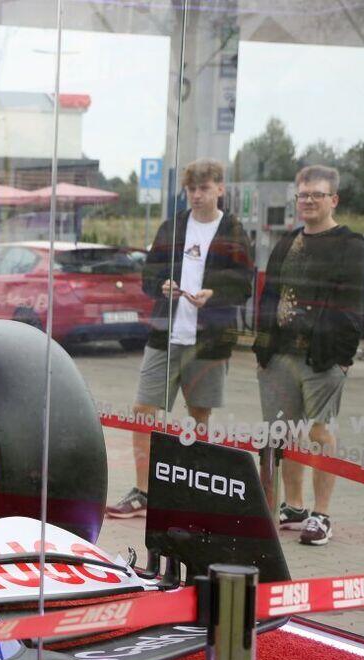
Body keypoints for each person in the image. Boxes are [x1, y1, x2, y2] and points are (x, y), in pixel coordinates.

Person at [108, 158, 253, 517]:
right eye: (191, 189)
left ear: (220, 189)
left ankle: (195, 490)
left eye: (204, 188)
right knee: (144, 410)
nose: (197, 195)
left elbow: (244, 283)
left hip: (209, 339)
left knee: (199, 414)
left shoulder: (233, 231)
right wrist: (162, 285)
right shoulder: (172, 228)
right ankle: (143, 491)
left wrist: (213, 293)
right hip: (165, 336)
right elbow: (149, 275)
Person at [253, 165, 364, 546]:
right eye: (302, 195)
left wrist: (342, 358)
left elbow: (355, 305)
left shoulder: (350, 245)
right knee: (281, 435)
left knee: (320, 434)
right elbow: (268, 298)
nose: (308, 201)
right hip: (279, 357)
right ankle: (294, 507)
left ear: (333, 199)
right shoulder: (287, 242)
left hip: (323, 357)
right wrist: (262, 348)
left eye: (317, 194)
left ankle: (322, 515)